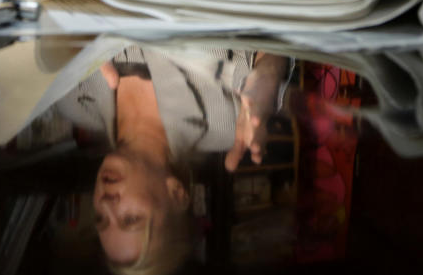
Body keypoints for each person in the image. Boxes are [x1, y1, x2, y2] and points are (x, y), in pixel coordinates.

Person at [56, 45, 292, 274]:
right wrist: (268, 77)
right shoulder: (225, 121)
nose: (106, 203)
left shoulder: (71, 100)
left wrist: (61, 31)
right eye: (131, 219)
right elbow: (273, 43)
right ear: (176, 193)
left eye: (101, 218)